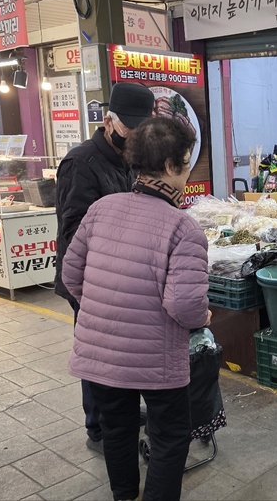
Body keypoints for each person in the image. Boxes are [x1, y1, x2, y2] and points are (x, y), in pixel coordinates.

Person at [62, 116, 209, 501]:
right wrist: (204, 318)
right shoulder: (183, 227)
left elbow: (71, 275)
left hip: (100, 352)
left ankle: (124, 496)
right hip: (155, 356)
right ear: (171, 165)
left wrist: (102, 306)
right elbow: (185, 305)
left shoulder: (101, 209)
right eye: (186, 160)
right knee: (171, 435)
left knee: (117, 428)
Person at [54, 82, 155, 454]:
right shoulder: (81, 162)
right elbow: (73, 229)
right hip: (88, 278)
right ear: (109, 120)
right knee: (97, 351)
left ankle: (120, 411)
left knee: (121, 347)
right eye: (129, 127)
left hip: (121, 275)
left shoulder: (131, 158)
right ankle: (98, 427)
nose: (134, 135)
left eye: (141, 128)